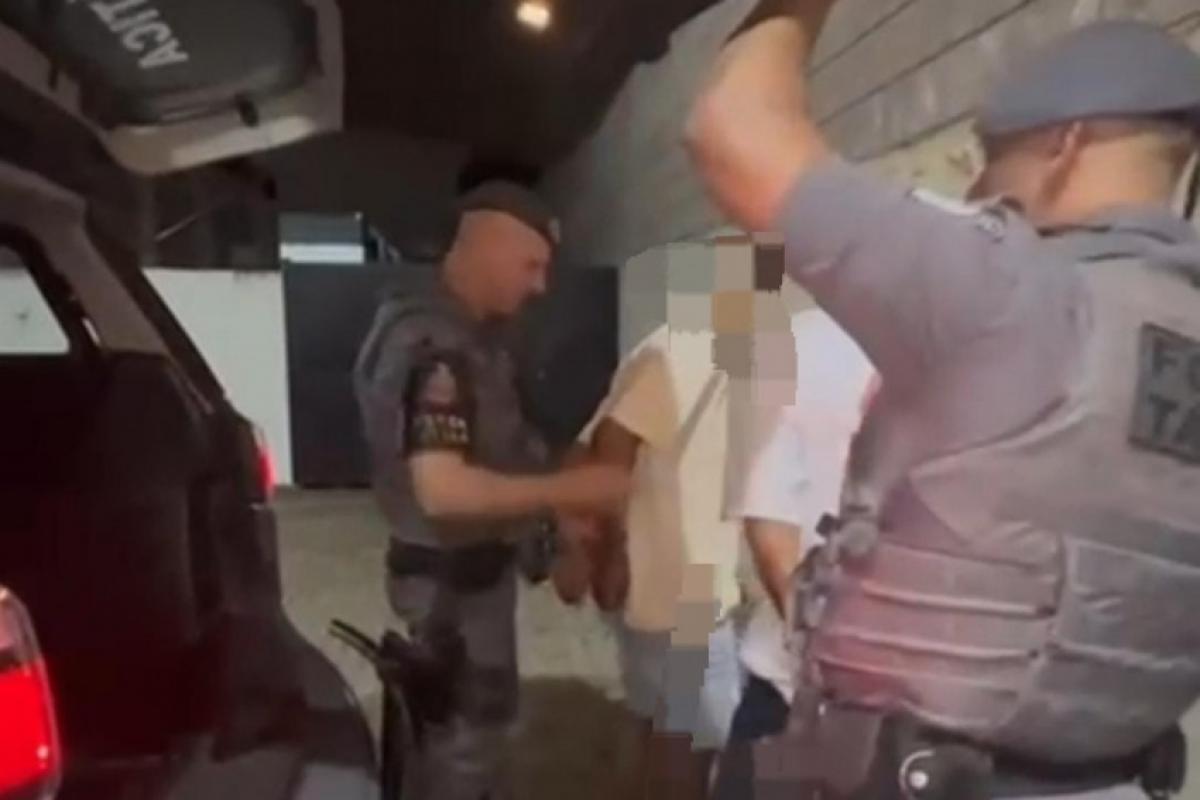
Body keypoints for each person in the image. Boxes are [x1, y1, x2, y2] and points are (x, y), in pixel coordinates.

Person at [687, 5, 1200, 799]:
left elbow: (730, 129)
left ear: (1064, 146)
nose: (978, 189)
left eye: (993, 162)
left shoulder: (1009, 291)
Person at [353, 180, 630, 800]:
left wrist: (552, 518)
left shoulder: (466, 338)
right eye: (531, 264)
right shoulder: (436, 347)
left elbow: (495, 454)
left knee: (465, 738)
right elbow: (443, 490)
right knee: (463, 748)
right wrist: (571, 489)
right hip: (450, 591)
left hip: (464, 580)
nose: (540, 285)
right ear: (488, 246)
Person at [565, 238, 788, 799]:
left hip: (670, 586)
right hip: (677, 591)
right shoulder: (683, 352)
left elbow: (590, 441)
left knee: (656, 723)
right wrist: (606, 553)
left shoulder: (711, 356)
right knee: (697, 740)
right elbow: (607, 449)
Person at [713, 273, 876, 799]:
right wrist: (822, 657)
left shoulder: (979, 363)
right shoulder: (798, 348)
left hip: (926, 713)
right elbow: (769, 525)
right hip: (793, 691)